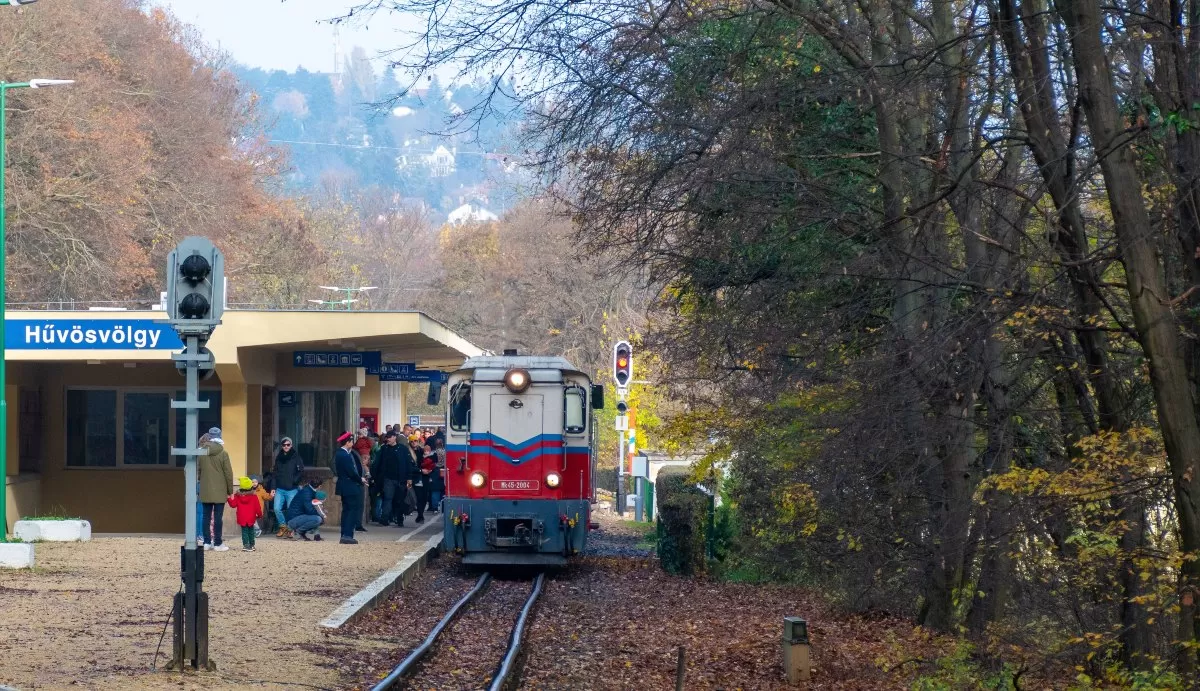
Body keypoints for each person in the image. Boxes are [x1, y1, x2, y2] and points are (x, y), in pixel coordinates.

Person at [197, 427, 234, 552]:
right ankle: (218, 543)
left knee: (205, 517)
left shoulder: (201, 452)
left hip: (205, 489)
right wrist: (230, 490)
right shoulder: (223, 453)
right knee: (218, 517)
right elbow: (228, 473)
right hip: (220, 490)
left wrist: (200, 482)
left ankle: (207, 542)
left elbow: (198, 471)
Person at [334, 431, 367, 544]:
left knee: (346, 510)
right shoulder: (345, 455)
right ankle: (347, 534)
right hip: (350, 486)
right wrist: (360, 479)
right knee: (351, 510)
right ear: (347, 442)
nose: (352, 443)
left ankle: (345, 533)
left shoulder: (339, 454)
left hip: (344, 485)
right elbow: (351, 472)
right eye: (351, 441)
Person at [375, 432, 413, 526]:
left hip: (401, 479)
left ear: (394, 438)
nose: (388, 439)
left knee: (399, 500)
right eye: (387, 437)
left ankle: (399, 519)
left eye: (390, 437)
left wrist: (409, 478)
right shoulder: (384, 449)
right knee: (388, 498)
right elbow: (378, 463)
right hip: (388, 479)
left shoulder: (403, 449)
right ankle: (385, 519)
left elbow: (408, 463)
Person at [272, 437, 305, 538]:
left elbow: (301, 471)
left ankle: (291, 529)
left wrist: (294, 481)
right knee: (277, 508)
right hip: (280, 488)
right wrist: (273, 488)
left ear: (291, 445)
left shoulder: (296, 456)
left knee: (292, 510)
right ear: (282, 446)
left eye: (288, 444)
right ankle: (283, 527)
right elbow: (275, 473)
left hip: (292, 489)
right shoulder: (279, 457)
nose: (286, 446)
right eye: (284, 445)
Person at [228, 477, 264, 552]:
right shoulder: (253, 496)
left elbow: (233, 505)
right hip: (251, 517)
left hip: (242, 517)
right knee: (251, 530)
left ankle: (246, 545)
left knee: (244, 531)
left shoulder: (237, 495)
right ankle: (252, 545)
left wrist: (229, 499)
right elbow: (257, 507)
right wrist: (260, 515)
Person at [285, 476, 325, 541]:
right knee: (318, 519)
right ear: (319, 486)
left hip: (295, 518)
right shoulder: (307, 492)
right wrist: (322, 516)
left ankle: (315, 535)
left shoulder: (308, 490)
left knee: (317, 516)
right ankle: (299, 532)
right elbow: (309, 510)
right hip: (293, 520)